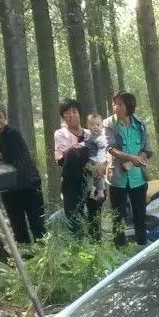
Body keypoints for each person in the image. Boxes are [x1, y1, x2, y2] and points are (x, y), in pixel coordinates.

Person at [0, 99, 46, 245]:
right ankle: (26, 257)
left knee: (37, 224)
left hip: (28, 184)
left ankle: (44, 257)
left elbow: (14, 158)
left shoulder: (11, 133)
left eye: (0, 116)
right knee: (18, 226)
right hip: (9, 187)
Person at [106, 90, 153, 246]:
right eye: (115, 104)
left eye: (120, 104)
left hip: (138, 177)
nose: (116, 107)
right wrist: (129, 158)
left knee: (140, 215)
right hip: (117, 178)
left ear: (129, 107)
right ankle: (119, 249)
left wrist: (136, 160)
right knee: (118, 217)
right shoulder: (109, 124)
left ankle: (142, 246)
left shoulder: (140, 124)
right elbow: (110, 148)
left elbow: (147, 149)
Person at [54, 99, 98, 235]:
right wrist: (83, 149)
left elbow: (98, 155)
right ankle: (77, 248)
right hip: (71, 180)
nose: (71, 115)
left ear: (79, 114)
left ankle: (97, 244)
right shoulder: (61, 133)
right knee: (74, 217)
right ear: (63, 117)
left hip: (91, 177)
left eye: (74, 111)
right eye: (67, 113)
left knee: (94, 215)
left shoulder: (89, 133)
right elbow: (67, 154)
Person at [84, 111, 109, 236]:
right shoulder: (89, 137)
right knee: (92, 179)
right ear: (88, 126)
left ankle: (100, 191)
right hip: (91, 162)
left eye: (98, 125)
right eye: (92, 125)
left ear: (102, 126)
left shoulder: (101, 138)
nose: (95, 127)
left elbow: (102, 149)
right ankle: (94, 190)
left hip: (99, 161)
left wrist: (100, 164)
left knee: (99, 178)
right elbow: (85, 145)